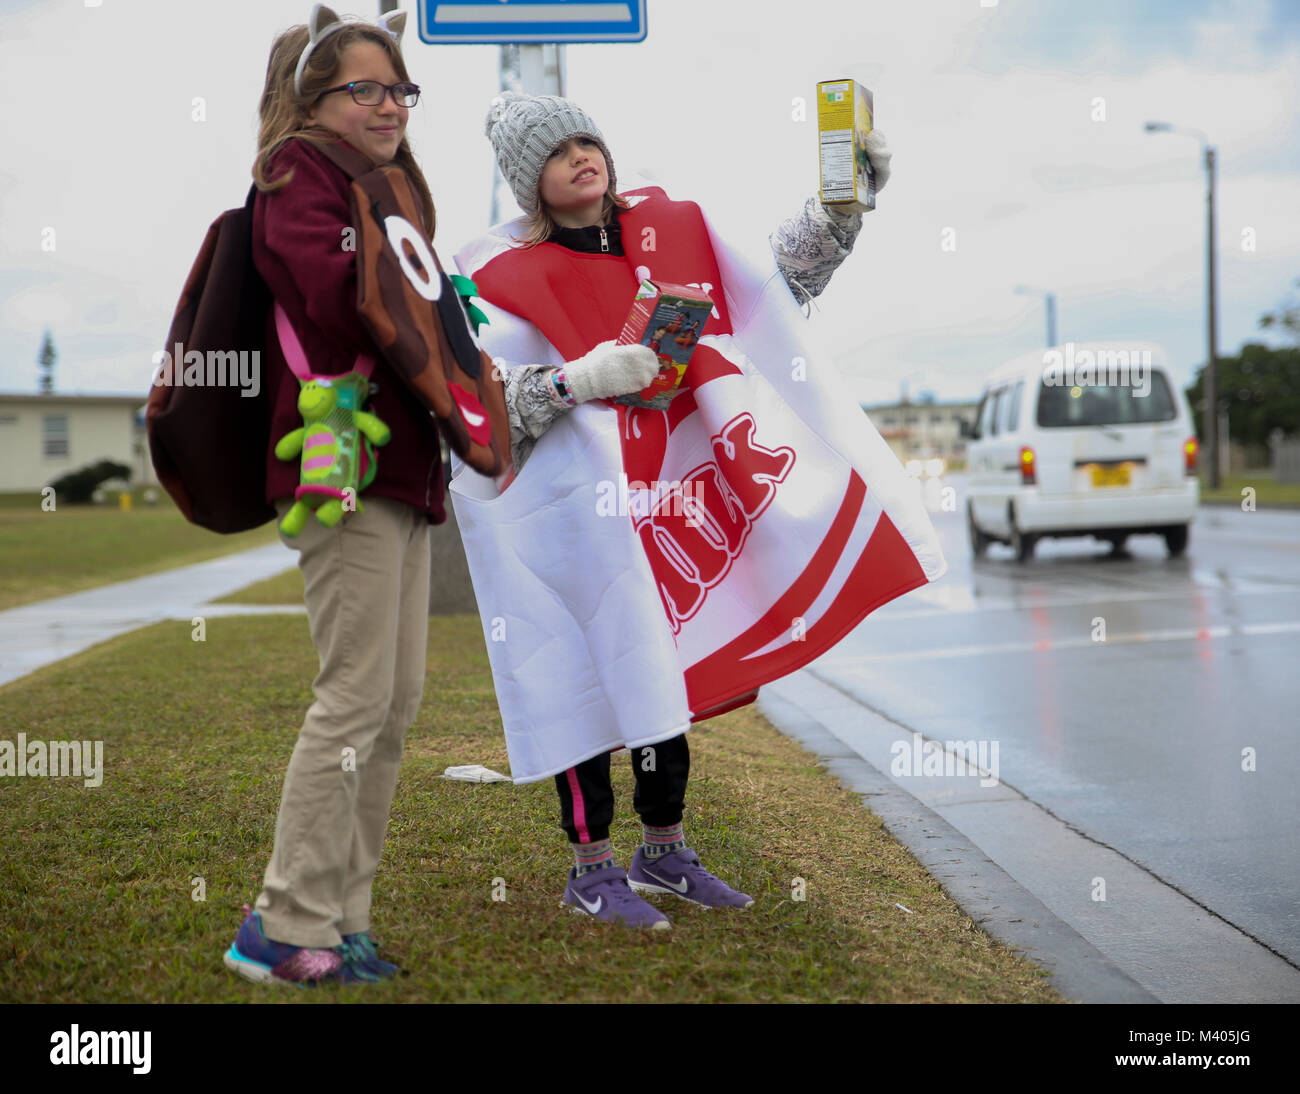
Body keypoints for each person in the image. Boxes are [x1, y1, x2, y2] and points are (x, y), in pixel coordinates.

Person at [222, 8, 660, 985]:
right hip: (343, 462)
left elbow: (424, 314)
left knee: (393, 702)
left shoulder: (385, 193)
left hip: (408, 471)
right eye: (364, 89)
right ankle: (282, 917)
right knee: (351, 696)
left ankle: (342, 918)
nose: (388, 106)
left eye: (398, 90)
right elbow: (343, 297)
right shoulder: (299, 176)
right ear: (311, 98)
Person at [452, 92, 897, 930]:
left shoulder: (672, 235)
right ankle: (589, 868)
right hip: (575, 516)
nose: (583, 155)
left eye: (588, 139)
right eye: (557, 152)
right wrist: (576, 381)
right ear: (527, 184)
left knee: (662, 668)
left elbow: (774, 286)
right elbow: (483, 406)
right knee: (585, 672)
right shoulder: (495, 279)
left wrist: (841, 210)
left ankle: (663, 847)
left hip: (672, 500)